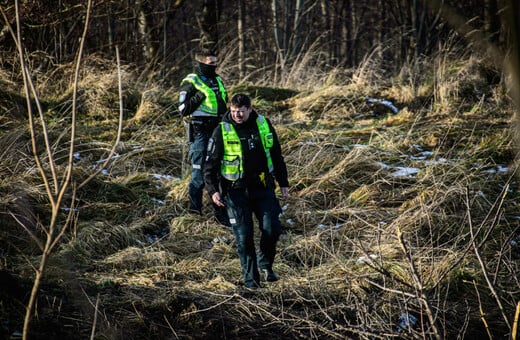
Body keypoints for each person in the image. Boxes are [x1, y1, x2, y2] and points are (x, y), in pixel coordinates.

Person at [204, 93, 289, 288]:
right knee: (244, 236)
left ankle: (265, 264)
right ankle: (251, 283)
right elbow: (209, 166)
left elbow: (277, 155)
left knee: (272, 228)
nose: (237, 115)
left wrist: (284, 183)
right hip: (235, 192)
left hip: (263, 187)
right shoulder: (221, 130)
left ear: (250, 109)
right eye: (234, 112)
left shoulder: (264, 124)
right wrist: (213, 191)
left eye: (241, 112)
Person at [178, 47, 229, 226]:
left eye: (216, 63)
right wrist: (200, 95)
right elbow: (183, 109)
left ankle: (221, 215)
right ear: (200, 63)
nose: (214, 66)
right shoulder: (191, 80)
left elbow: (223, 103)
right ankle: (194, 213)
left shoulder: (218, 79)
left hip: (219, 130)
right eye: (210, 63)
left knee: (220, 172)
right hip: (200, 131)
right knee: (199, 174)